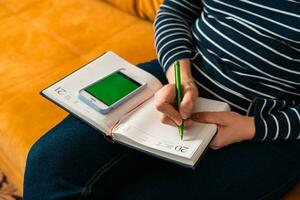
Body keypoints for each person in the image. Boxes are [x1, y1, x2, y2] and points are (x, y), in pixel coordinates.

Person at [24, 1, 300, 199]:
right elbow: (176, 9)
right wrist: (179, 75)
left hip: (269, 129)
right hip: (177, 78)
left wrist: (254, 127)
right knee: (47, 164)